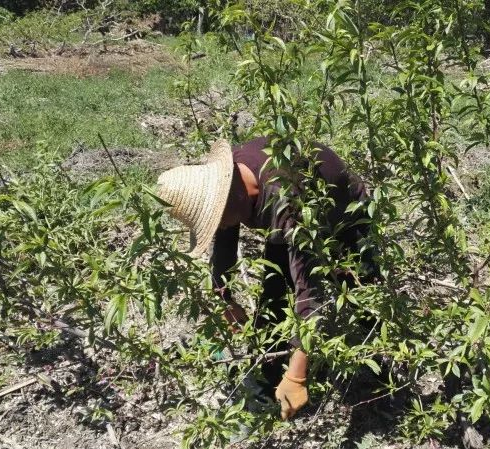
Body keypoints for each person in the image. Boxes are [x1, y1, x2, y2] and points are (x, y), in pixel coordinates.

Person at [156, 137, 377, 420]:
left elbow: (310, 293)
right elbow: (224, 243)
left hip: (345, 216)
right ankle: (266, 387)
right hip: (292, 219)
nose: (222, 225)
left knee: (364, 293)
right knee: (273, 301)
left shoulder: (286, 204)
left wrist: (297, 377)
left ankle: (378, 377)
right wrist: (224, 297)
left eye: (219, 218)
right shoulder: (229, 182)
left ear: (231, 196)